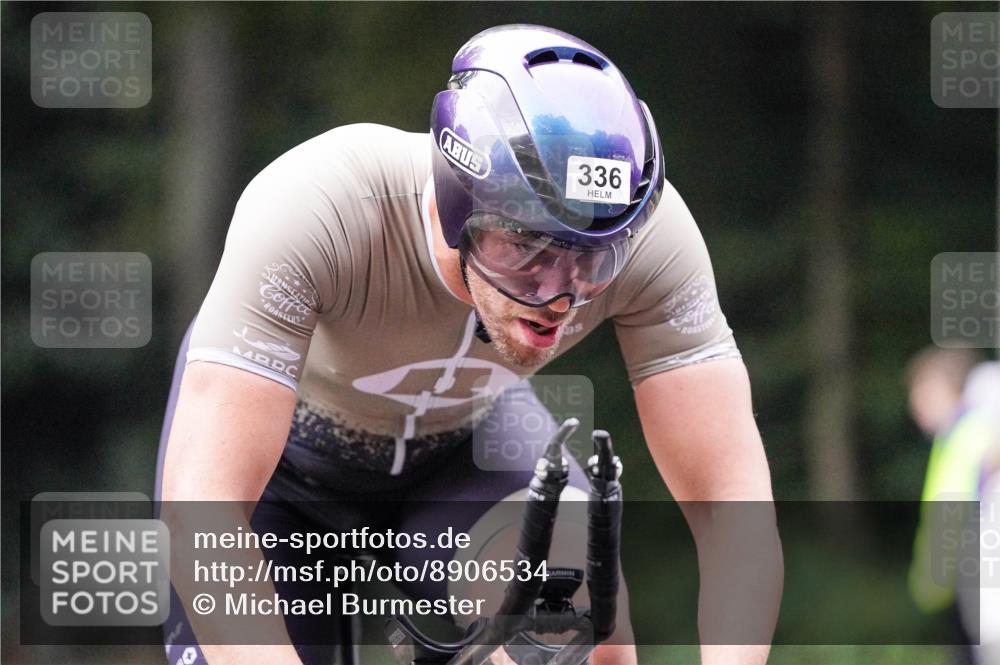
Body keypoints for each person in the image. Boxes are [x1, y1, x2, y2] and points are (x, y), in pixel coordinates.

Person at [156, 25, 781, 665]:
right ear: (461, 205)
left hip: (468, 450)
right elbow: (203, 508)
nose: (561, 296)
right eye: (529, 250)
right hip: (284, 472)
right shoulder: (319, 206)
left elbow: (730, 506)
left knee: (580, 630)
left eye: (596, 260)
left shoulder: (654, 239)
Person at [906, 348, 990, 664]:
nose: (915, 406)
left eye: (923, 392)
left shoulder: (975, 431)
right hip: (957, 584)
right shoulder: (951, 438)